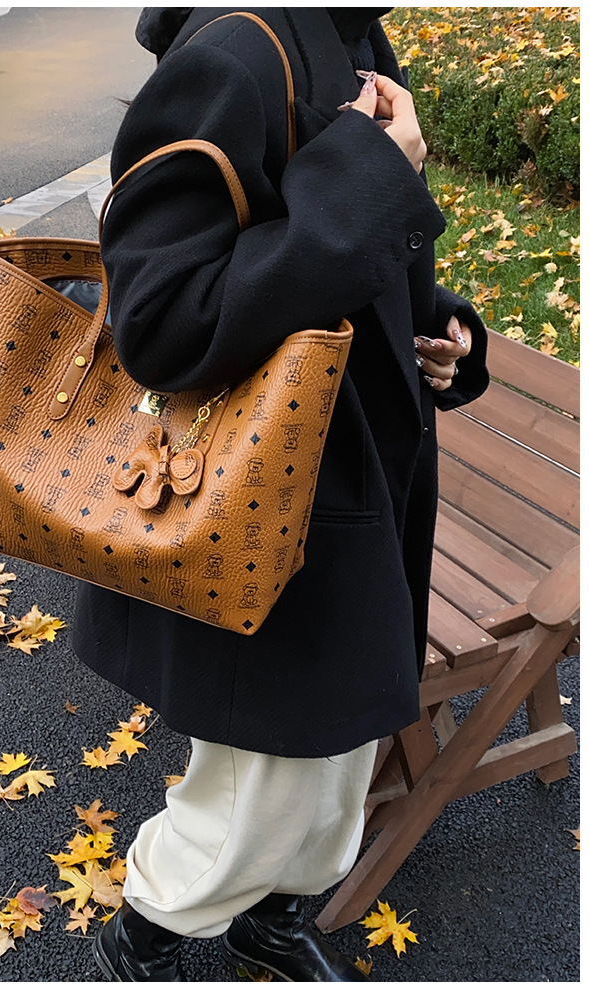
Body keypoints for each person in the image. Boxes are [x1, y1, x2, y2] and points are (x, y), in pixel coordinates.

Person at [71, 7, 490, 982]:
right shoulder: (231, 54)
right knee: (262, 785)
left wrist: (440, 332)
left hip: (356, 485)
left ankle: (269, 919)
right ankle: (146, 933)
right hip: (266, 501)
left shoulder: (352, 34)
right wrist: (374, 173)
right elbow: (161, 323)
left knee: (334, 763)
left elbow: (338, 254)